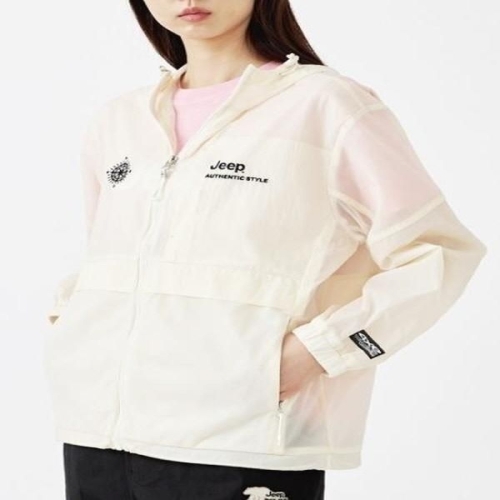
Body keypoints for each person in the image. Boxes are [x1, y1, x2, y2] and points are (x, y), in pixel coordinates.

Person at [43, 1, 488, 499]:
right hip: (95, 435)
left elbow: (439, 252)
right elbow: (108, 256)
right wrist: (73, 324)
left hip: (243, 440)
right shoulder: (119, 120)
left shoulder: (326, 106)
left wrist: (320, 350)